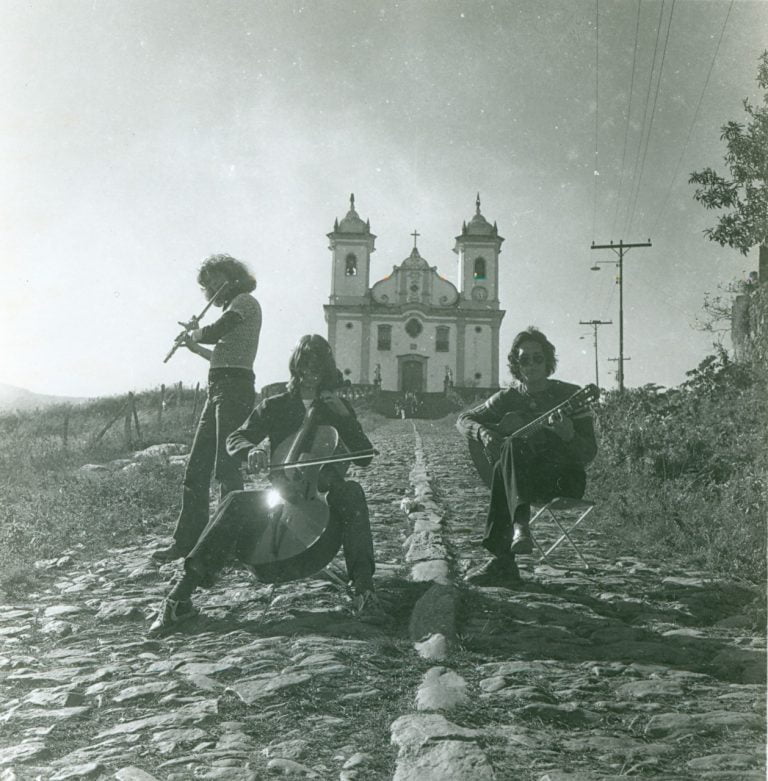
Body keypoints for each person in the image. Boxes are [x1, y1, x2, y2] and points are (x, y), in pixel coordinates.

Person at [148, 334, 381, 634]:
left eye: (318, 366)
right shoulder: (275, 405)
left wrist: (344, 418)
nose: (311, 372)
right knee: (234, 500)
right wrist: (252, 449)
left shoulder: (338, 408)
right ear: (295, 367)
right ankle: (179, 598)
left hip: (324, 505)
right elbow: (236, 438)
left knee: (352, 492)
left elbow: (364, 457)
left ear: (326, 370)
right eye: (304, 365)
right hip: (280, 499)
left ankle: (364, 591)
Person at [456, 326, 597, 586]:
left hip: (563, 480)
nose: (531, 365)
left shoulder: (570, 396)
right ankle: (517, 533)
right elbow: (464, 419)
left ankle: (504, 558)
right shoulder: (508, 398)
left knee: (503, 469)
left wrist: (568, 435)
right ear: (516, 365)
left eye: (537, 358)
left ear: (548, 362)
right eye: (524, 359)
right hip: (524, 481)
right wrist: (484, 434)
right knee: (509, 453)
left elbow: (589, 453)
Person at [152, 254, 261, 563]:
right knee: (196, 470)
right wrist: (193, 344)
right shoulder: (231, 307)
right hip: (219, 389)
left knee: (227, 469)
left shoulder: (245, 303)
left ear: (232, 277)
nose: (211, 288)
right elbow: (221, 356)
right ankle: (186, 543)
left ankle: (232, 543)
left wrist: (196, 333)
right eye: (207, 285)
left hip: (235, 391)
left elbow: (219, 329)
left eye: (215, 280)